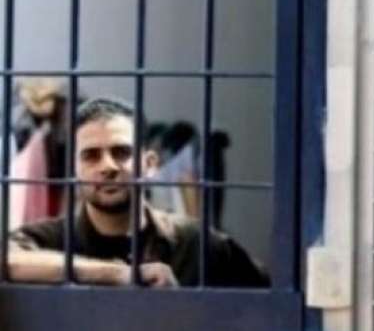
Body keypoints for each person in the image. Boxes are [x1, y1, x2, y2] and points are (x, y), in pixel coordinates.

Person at [7, 97, 268, 288]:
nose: (107, 167)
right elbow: (7, 260)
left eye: (122, 152)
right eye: (91, 156)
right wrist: (118, 275)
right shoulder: (47, 240)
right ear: (73, 171)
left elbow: (271, 301)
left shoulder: (196, 244)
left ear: (150, 164)